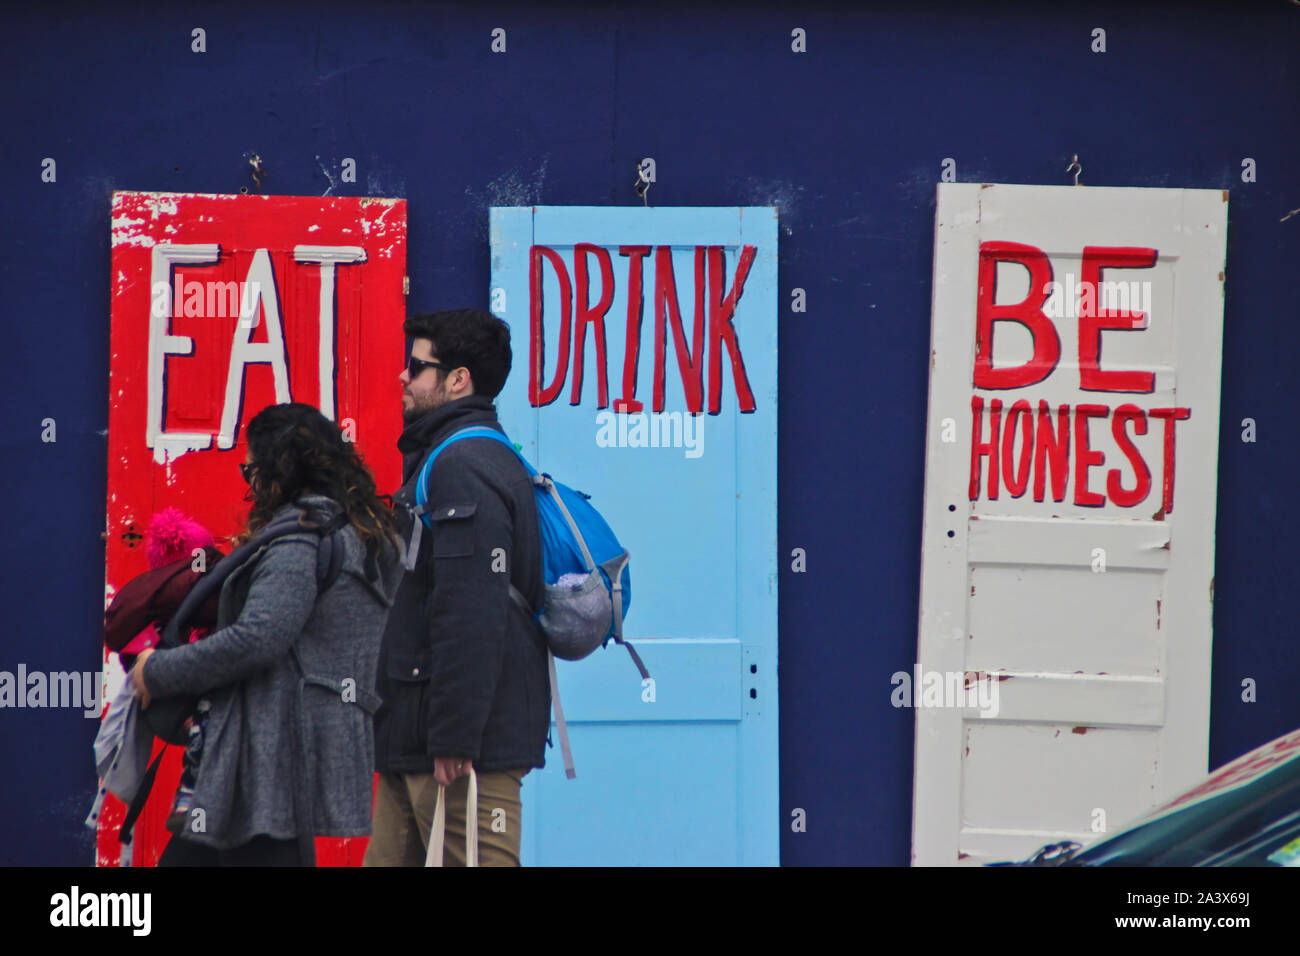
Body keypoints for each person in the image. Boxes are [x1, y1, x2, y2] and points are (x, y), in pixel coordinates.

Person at [129, 402, 403, 866]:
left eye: (251, 468)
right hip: (288, 750)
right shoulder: (359, 530)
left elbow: (259, 637)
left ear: (277, 469)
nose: (249, 482)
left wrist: (157, 670)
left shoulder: (299, 539)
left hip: (269, 753)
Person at [364, 309, 547, 867]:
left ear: (458, 379)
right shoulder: (447, 458)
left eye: (416, 366)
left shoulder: (463, 465)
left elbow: (472, 607)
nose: (403, 376)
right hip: (416, 741)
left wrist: (455, 737)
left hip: (461, 752)